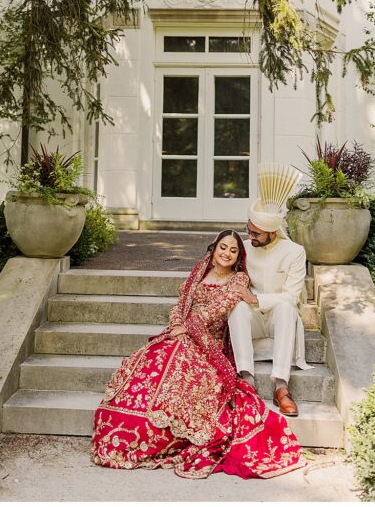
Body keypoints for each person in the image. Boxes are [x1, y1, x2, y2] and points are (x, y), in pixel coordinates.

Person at [91, 230, 304, 479]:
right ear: (213, 251)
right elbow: (180, 304)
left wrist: (187, 328)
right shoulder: (198, 274)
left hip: (208, 341)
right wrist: (176, 326)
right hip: (181, 334)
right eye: (223, 247)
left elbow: (218, 309)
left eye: (233, 251)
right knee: (150, 361)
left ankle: (160, 434)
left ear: (238, 258)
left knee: (181, 374)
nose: (227, 253)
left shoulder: (238, 280)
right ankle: (126, 426)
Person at [228, 163, 310, 417]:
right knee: (237, 306)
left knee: (286, 307)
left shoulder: (295, 252)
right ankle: (247, 381)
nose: (250, 236)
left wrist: (256, 298)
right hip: (253, 318)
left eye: (256, 233)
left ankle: (281, 387)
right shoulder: (243, 247)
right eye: (248, 230)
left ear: (272, 232)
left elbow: (291, 296)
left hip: (278, 319)